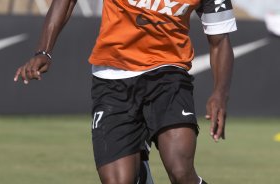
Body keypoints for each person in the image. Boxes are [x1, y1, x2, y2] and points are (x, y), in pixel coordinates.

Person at [14, 0, 237, 183]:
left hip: (168, 74)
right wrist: (44, 51)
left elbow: (220, 41)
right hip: (112, 80)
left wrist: (220, 93)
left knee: (180, 171)